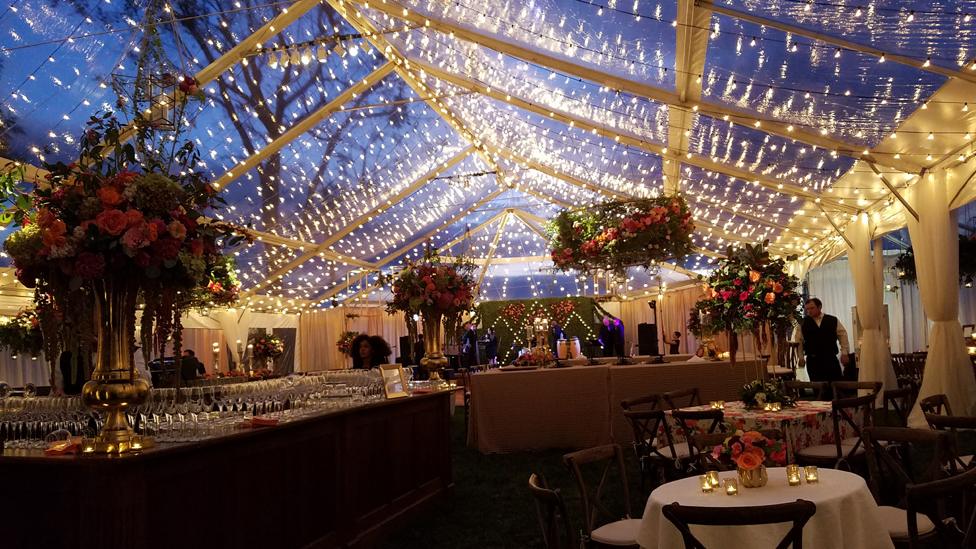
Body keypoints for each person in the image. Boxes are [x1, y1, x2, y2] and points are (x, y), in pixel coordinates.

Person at [792, 298, 850, 393]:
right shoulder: (802, 323)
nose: (809, 311)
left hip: (830, 359)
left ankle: (837, 406)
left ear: (819, 307)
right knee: (818, 389)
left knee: (836, 387)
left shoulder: (832, 320)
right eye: (807, 309)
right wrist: (800, 357)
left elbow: (843, 335)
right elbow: (799, 342)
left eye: (812, 308)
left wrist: (844, 353)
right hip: (813, 360)